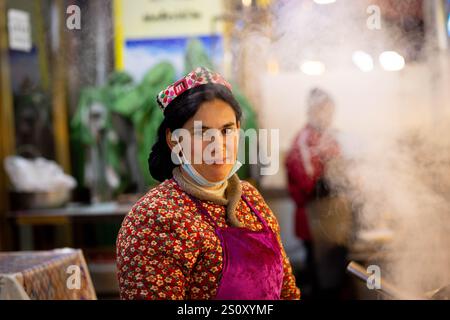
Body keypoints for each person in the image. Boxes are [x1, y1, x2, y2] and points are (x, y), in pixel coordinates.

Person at [116, 67, 300, 300]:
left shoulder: (251, 199)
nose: (218, 145)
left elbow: (287, 291)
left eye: (227, 130)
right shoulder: (154, 218)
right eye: (202, 132)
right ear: (174, 141)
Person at [285, 88, 341, 298]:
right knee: (320, 283)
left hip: (331, 222)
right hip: (312, 221)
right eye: (324, 111)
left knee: (333, 280)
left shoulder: (330, 137)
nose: (328, 116)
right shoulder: (303, 140)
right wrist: (332, 181)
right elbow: (309, 184)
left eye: (330, 111)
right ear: (312, 110)